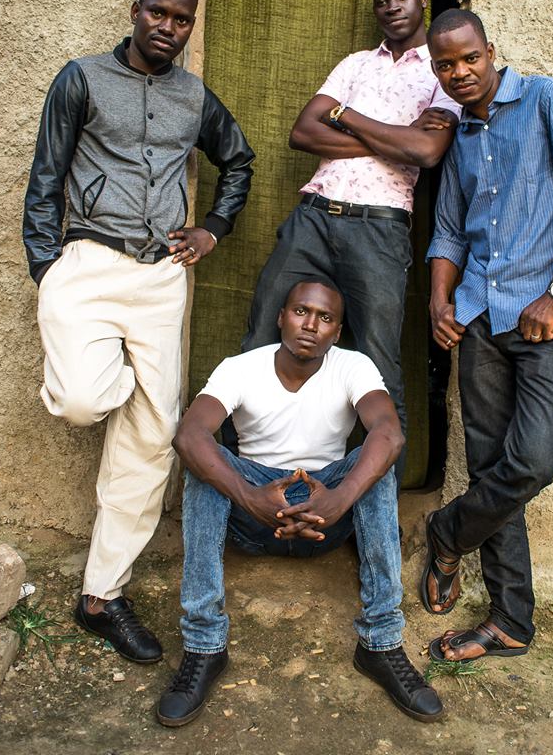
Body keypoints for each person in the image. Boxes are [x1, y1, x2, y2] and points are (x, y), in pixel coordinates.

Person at [22, 0, 255, 663]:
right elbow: (44, 178)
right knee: (80, 400)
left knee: (154, 441)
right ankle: (121, 385)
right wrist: (48, 269)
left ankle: (102, 596)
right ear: (136, 12)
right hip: (88, 265)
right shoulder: (81, 80)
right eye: (158, 12)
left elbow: (237, 160)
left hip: (162, 278)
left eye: (182, 19)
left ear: (190, 26)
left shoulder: (195, 96)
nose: (168, 26)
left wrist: (212, 226)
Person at [420, 9, 553, 661]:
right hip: (478, 320)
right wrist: (440, 299)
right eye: (446, 65)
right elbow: (448, 230)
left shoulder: (550, 101)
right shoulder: (463, 139)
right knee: (490, 464)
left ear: (489, 52)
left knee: (532, 460)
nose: (460, 72)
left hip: (546, 322)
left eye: (468, 58)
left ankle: (447, 532)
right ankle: (509, 620)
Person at [157, 278, 443, 727]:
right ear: (281, 317)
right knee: (205, 463)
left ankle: (381, 643)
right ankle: (204, 647)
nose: (311, 324)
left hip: (327, 507)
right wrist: (250, 497)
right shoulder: (240, 367)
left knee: (377, 458)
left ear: (338, 330)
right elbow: (189, 435)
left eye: (325, 318)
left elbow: (389, 433)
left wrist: (338, 499)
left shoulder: (354, 366)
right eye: (301, 311)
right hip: (254, 512)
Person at [236, 0, 461, 482]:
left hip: (379, 228)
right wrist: (393, 137)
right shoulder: (356, 63)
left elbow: (427, 154)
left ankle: (378, 516)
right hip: (312, 217)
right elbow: (303, 133)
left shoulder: (442, 69)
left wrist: (347, 117)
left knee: (379, 372)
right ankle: (246, 490)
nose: (392, 7)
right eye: (382, 0)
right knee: (258, 347)